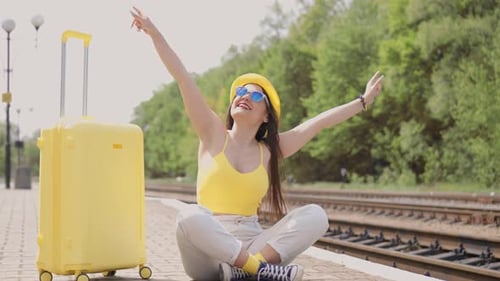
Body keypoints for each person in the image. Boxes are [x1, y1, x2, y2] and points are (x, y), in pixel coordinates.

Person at [130, 7, 383, 281]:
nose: (244, 95)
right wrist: (154, 33)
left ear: (266, 117)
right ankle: (257, 271)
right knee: (188, 216)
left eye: (255, 95)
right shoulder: (213, 132)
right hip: (208, 252)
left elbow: (318, 122)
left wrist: (363, 102)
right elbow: (183, 78)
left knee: (316, 216)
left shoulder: (269, 151)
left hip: (252, 244)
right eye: (240, 91)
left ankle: (249, 267)